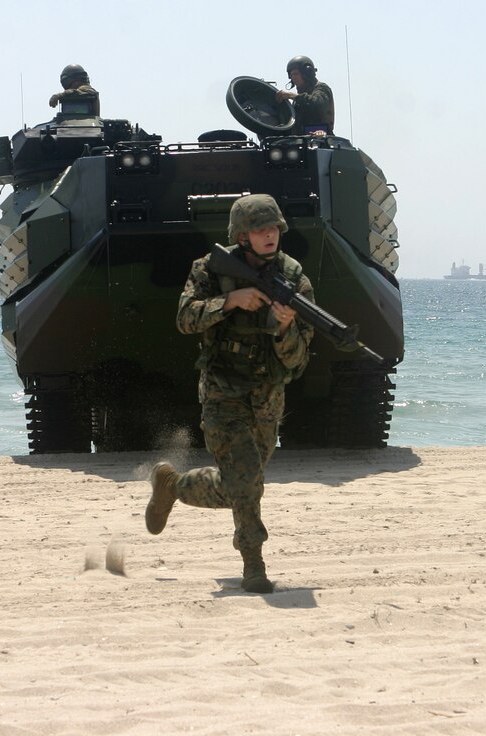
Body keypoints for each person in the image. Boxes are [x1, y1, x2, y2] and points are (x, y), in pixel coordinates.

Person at [145, 194, 315, 594]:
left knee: (242, 484)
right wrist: (229, 302)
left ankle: (173, 486)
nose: (269, 234)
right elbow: (185, 319)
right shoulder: (208, 270)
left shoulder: (294, 279)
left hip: (267, 398)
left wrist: (285, 329)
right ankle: (253, 563)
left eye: (274, 227)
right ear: (241, 236)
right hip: (222, 392)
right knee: (245, 479)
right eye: (260, 229)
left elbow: (297, 362)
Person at [275, 55, 335, 136]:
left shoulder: (321, 88)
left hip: (321, 139)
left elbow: (317, 104)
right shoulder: (298, 101)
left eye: (296, 74)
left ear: (307, 73)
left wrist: (293, 96)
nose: (293, 78)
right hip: (301, 140)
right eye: (291, 75)